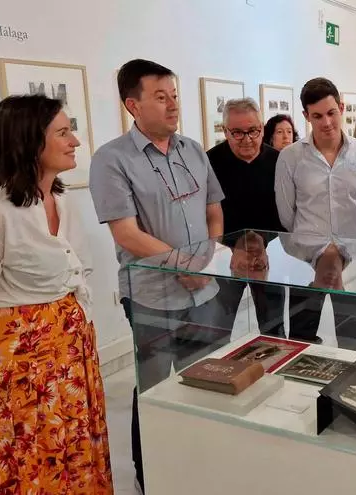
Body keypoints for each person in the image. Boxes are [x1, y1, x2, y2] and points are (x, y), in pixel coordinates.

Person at [0, 94, 113, 494]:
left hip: (72, 352)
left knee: (72, 447)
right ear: (28, 141)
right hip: (21, 364)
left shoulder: (62, 201)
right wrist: (9, 326)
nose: (74, 141)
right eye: (63, 132)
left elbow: (79, 270)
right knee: (31, 455)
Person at [89, 59, 225, 494]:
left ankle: (199, 464)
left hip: (205, 291)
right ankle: (149, 473)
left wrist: (207, 259)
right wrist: (183, 265)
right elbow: (126, 233)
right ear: (133, 105)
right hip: (151, 296)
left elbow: (214, 211)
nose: (173, 105)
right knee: (153, 387)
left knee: (205, 380)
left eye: (175, 96)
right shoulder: (112, 159)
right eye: (160, 97)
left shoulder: (193, 150)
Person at [275, 77, 356, 349]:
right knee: (301, 340)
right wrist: (312, 242)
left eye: (331, 113)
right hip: (304, 261)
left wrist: (347, 242)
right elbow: (286, 213)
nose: (326, 122)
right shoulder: (290, 157)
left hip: (352, 260)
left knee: (352, 341)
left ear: (341, 108)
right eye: (317, 116)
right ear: (306, 116)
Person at [206, 98, 287, 337]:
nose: (247, 139)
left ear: (262, 128)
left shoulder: (279, 161)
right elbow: (206, 214)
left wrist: (263, 242)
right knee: (218, 331)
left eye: (253, 131)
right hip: (225, 257)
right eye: (238, 133)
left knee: (274, 330)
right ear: (225, 131)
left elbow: (287, 212)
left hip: (269, 252)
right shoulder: (209, 163)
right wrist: (231, 246)